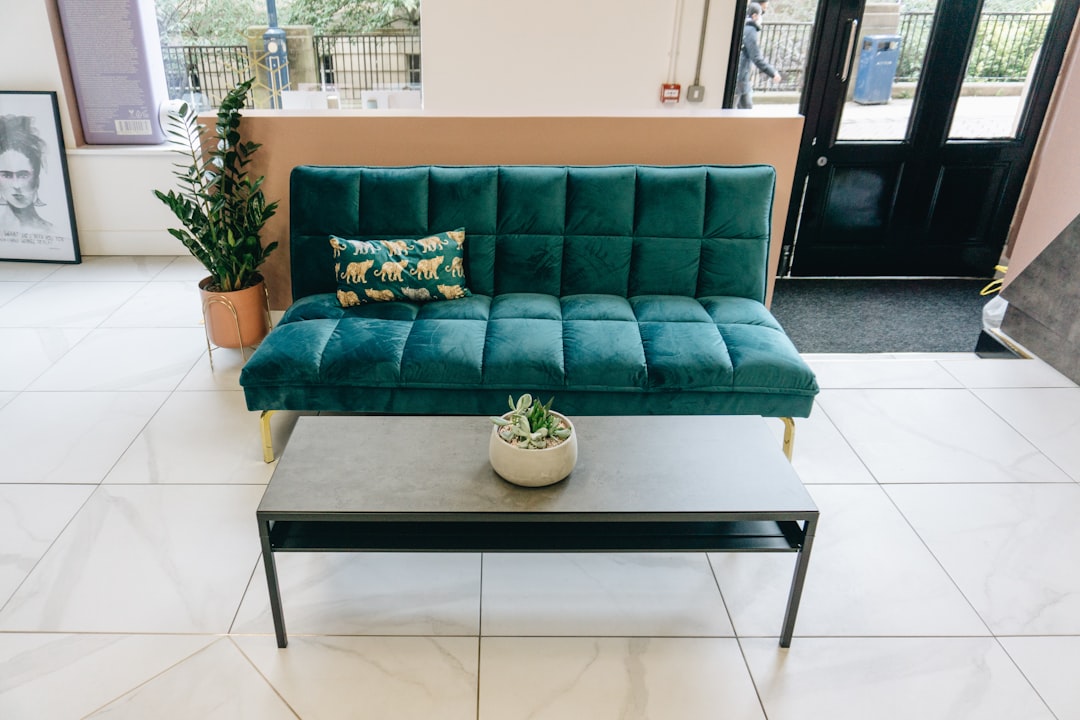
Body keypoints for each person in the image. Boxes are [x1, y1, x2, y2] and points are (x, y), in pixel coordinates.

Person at [0, 115, 54, 237]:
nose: (16, 185)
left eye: (23, 175)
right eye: (7, 175)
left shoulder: (53, 233)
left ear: (37, 180)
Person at [736, 2, 781, 109]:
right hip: (741, 76)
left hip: (740, 76)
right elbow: (756, 57)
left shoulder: (743, 27)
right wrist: (772, 72)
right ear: (755, 16)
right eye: (762, 13)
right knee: (745, 109)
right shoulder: (750, 30)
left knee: (742, 107)